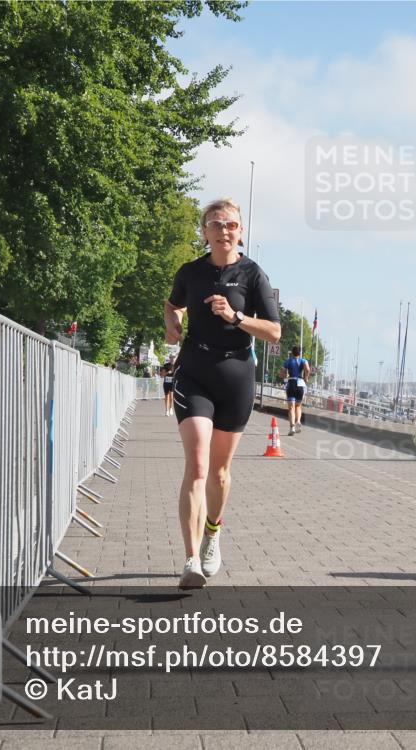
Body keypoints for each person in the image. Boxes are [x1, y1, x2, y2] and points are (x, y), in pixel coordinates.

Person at [164, 197, 281, 589]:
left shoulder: (253, 274)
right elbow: (172, 305)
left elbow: (275, 331)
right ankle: (190, 559)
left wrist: (236, 317)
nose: (224, 230)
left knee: (219, 471)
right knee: (196, 467)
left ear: (241, 231)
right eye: (216, 224)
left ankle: (213, 533)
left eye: (231, 224)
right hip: (195, 370)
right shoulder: (191, 272)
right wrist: (172, 324)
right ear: (205, 231)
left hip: (236, 375)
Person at [282, 345, 311, 434]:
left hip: (291, 383)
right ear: (300, 353)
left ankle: (292, 428)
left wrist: (285, 376)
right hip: (300, 384)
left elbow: (282, 372)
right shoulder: (303, 361)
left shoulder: (288, 361)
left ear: (292, 352)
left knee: (291, 407)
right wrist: (306, 378)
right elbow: (307, 369)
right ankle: (298, 421)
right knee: (298, 406)